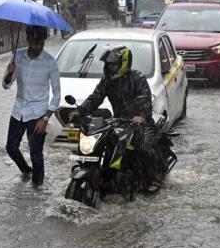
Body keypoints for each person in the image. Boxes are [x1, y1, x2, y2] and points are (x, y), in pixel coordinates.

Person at [69, 46, 160, 192]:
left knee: (143, 147)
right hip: (119, 121)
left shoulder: (138, 78)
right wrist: (80, 111)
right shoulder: (107, 80)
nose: (110, 67)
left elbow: (145, 100)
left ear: (123, 63)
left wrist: (140, 116)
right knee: (102, 142)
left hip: (141, 122)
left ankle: (151, 179)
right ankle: (103, 175)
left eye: (113, 64)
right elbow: (96, 97)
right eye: (108, 64)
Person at [3, 25, 61, 187]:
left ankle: (37, 190)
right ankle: (26, 172)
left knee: (36, 154)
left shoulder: (50, 62)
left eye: (41, 44)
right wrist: (9, 73)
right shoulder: (17, 57)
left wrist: (45, 119)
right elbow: (6, 85)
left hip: (38, 114)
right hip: (18, 110)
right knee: (11, 147)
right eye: (35, 44)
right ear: (28, 40)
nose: (38, 48)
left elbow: (56, 95)